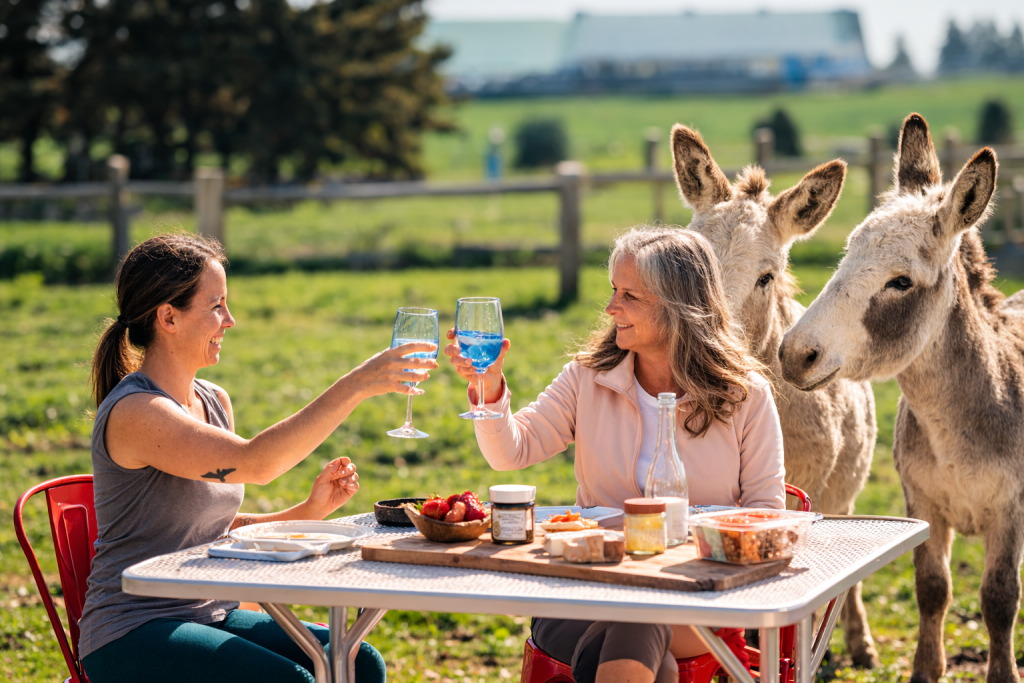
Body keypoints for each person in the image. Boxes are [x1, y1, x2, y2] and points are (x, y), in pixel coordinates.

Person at [80, 233, 437, 683]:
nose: (229, 320)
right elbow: (257, 463)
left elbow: (210, 528)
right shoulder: (137, 412)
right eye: (216, 306)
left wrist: (308, 512)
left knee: (360, 663)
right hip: (132, 629)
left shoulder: (213, 401)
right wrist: (358, 383)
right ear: (167, 317)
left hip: (209, 611)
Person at [445, 227, 785, 683]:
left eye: (630, 296)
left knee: (639, 612)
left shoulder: (745, 395)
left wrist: (675, 545)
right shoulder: (587, 379)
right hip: (583, 590)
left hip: (697, 596)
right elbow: (512, 451)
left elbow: (766, 514)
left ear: (680, 305)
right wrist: (487, 389)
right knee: (641, 631)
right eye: (613, 291)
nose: (610, 308)